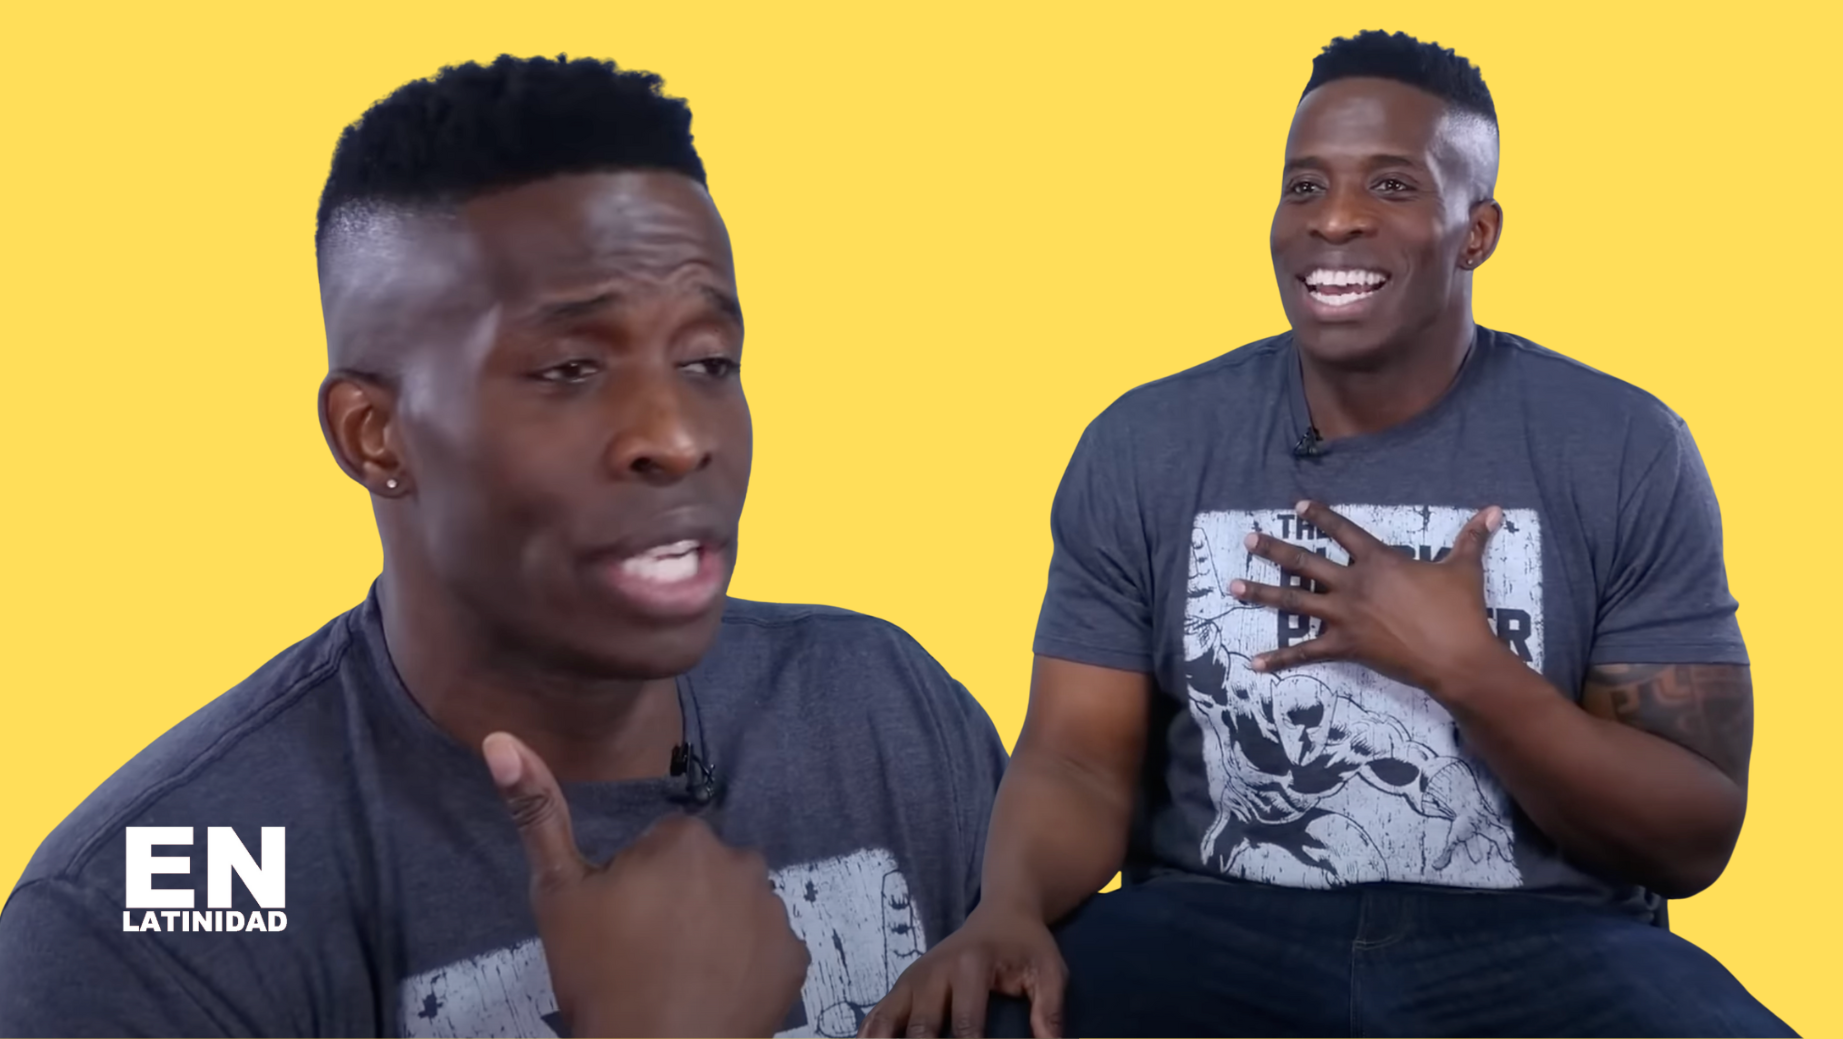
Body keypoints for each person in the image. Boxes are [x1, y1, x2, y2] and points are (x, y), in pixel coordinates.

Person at [0, 55, 1006, 1039]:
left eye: (708, 360)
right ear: (373, 436)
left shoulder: (879, 712)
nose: (679, 434)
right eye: (569, 368)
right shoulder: (162, 896)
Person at [862, 30, 1794, 1039]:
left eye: (1391, 187)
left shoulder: (1618, 444)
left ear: (1474, 231)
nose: (1335, 220)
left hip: (1546, 937)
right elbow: (1078, 757)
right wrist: (1006, 911)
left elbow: (1692, 832)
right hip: (1211, 924)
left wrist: (1467, 671)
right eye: (1304, 188)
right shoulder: (1147, 443)